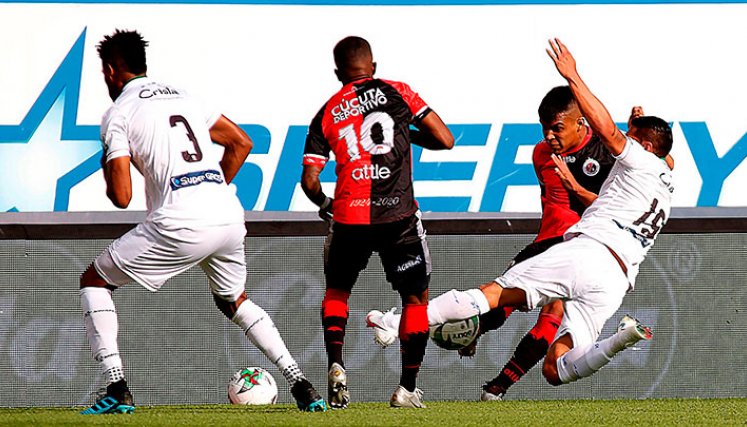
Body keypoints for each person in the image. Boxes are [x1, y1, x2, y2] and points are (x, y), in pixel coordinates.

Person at [373, 37, 674, 391]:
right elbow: (663, 157)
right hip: (616, 280)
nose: (624, 137)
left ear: (646, 147)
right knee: (556, 369)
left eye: (632, 136)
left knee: (494, 294)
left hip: (588, 252)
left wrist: (573, 75)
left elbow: (608, 131)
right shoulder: (665, 183)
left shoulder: (634, 158)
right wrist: (638, 131)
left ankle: (394, 324)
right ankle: (620, 340)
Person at [79, 29, 326, 414]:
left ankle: (116, 386)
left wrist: (106, 162)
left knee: (95, 280)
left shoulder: (118, 113)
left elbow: (121, 196)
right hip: (227, 215)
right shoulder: (184, 97)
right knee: (233, 299)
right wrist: (208, 190)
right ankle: (300, 382)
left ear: (110, 71)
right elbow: (241, 142)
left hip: (179, 223)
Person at [367, 85, 620, 399]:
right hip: (557, 241)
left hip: (583, 246)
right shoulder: (543, 153)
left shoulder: (608, 152)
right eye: (545, 129)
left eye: (557, 128)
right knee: (506, 303)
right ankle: (480, 361)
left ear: (582, 122)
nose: (550, 136)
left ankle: (493, 381)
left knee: (536, 311)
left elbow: (650, 171)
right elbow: (558, 207)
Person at [301, 36, 454, 409]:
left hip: (350, 216)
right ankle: (406, 388)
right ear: (373, 66)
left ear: (339, 73)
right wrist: (405, 134)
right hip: (397, 216)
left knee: (337, 293)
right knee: (415, 299)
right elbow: (445, 139)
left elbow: (309, 181)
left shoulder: (327, 110)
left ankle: (336, 363)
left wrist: (326, 204)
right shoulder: (398, 92)